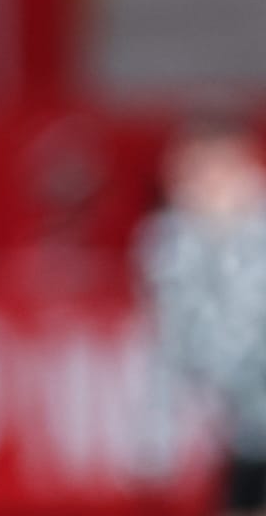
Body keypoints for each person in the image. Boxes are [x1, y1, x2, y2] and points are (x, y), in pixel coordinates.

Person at [137, 120, 266, 516]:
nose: (204, 188)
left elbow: (237, 339)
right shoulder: (169, 244)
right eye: (191, 175)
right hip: (246, 428)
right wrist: (156, 438)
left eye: (216, 172)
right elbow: (171, 344)